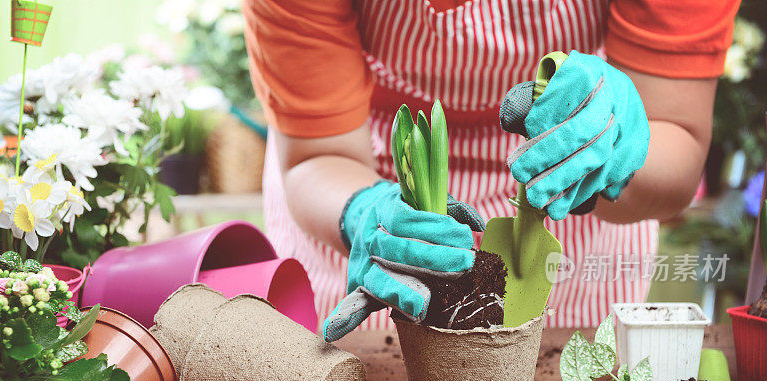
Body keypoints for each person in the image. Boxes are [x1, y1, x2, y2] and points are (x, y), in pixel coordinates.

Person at [243, 0, 740, 340]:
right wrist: (362, 213)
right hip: (368, 181)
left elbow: (675, 140)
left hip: (575, 189)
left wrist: (615, 149)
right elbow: (316, 154)